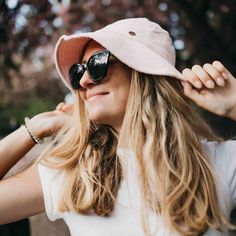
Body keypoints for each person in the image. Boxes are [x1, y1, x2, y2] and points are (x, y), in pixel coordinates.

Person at [0, 17, 236, 236]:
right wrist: (36, 128)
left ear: (144, 72)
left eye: (97, 64)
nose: (83, 82)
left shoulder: (216, 163)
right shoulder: (74, 174)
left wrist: (233, 105)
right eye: (78, 72)